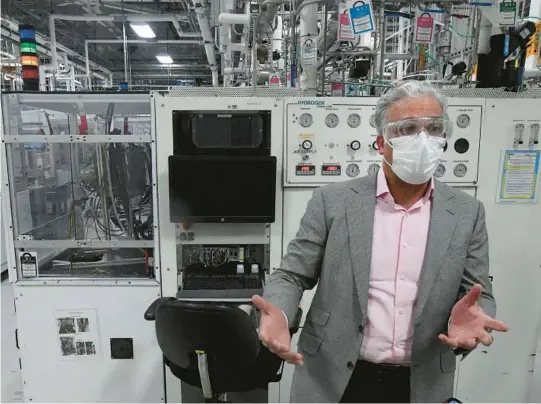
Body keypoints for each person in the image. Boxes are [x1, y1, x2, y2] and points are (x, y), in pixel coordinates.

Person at [252, 81, 509, 403]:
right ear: (381, 142)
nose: (422, 139)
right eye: (407, 128)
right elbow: (292, 274)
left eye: (434, 128)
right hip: (333, 378)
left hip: (421, 381)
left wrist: (476, 317)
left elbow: (478, 291)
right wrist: (279, 313)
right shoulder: (333, 201)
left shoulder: (466, 212)